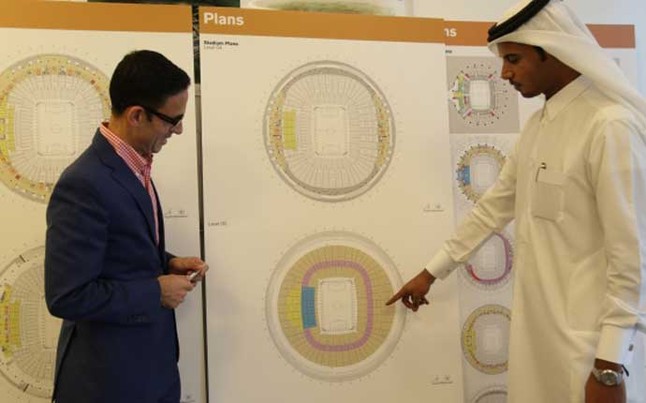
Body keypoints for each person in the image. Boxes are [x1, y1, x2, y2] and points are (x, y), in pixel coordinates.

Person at [387, 1, 646, 402]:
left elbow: (632, 256)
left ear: (553, 50)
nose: (505, 73)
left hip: (586, 349)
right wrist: (431, 272)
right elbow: (493, 207)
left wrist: (610, 366)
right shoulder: (539, 126)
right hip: (536, 337)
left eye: (513, 59)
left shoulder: (609, 126)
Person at [45, 50, 208, 403]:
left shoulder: (134, 165)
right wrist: (155, 292)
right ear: (137, 115)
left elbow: (117, 249)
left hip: (150, 372)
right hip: (109, 383)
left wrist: (167, 262)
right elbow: (67, 296)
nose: (179, 130)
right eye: (173, 120)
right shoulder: (83, 183)